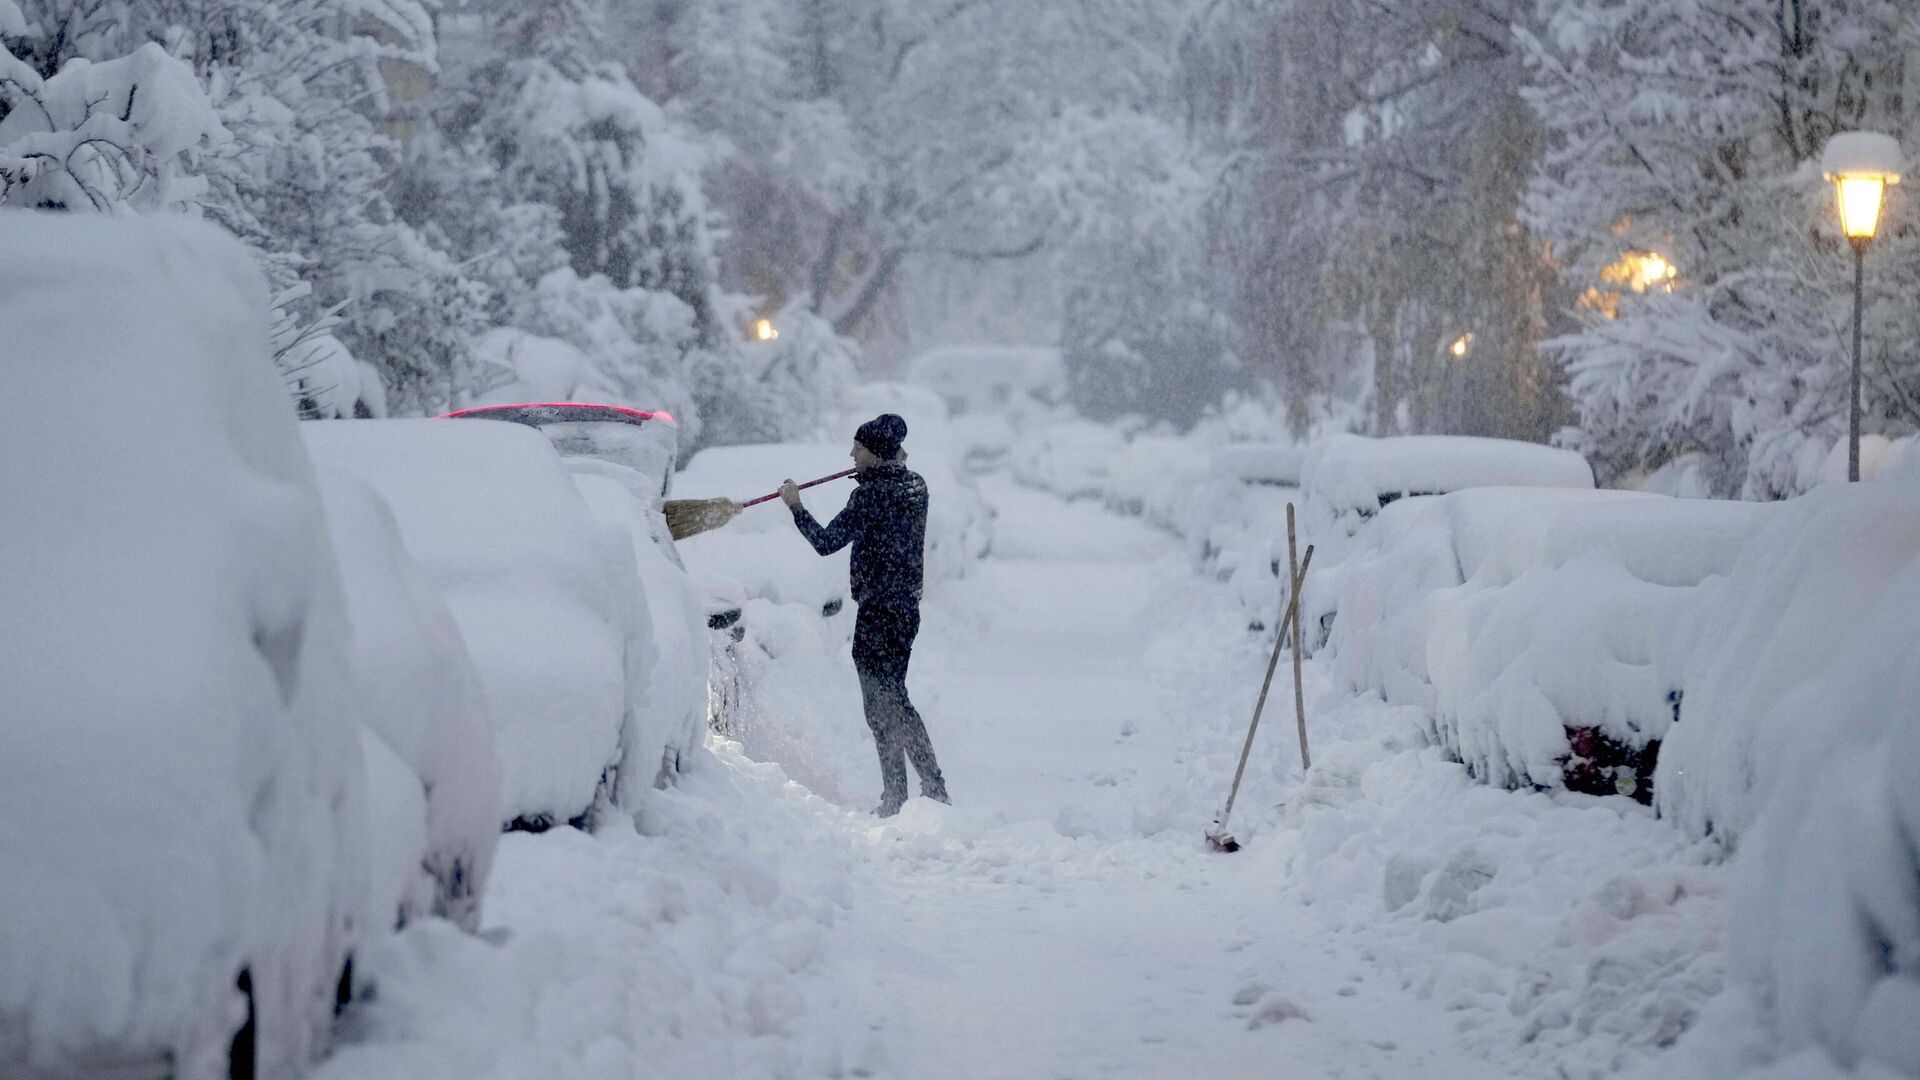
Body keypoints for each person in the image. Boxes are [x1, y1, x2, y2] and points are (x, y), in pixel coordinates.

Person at [780, 413, 949, 816]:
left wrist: (795, 505)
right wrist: (868, 476)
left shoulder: (872, 496)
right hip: (906, 610)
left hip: (876, 614)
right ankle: (928, 787)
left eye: (857, 448)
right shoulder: (914, 486)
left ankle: (900, 796)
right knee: (896, 698)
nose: (850, 454)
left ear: (874, 452)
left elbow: (825, 542)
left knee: (881, 707)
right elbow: (885, 497)